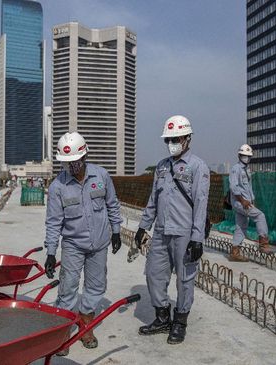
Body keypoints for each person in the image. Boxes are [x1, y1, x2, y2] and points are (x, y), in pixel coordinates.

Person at [43, 132, 122, 355]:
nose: (72, 166)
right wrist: (51, 252)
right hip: (73, 245)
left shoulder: (101, 176)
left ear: (85, 156)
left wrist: (116, 231)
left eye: (75, 162)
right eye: (67, 163)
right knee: (67, 288)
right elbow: (53, 221)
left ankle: (86, 324)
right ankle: (63, 332)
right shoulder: (58, 186)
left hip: (99, 244)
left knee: (96, 286)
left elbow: (113, 205)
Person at [135, 115, 210, 344]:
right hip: (161, 231)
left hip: (184, 233)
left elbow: (200, 205)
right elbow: (153, 200)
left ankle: (180, 321)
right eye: (168, 139)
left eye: (175, 138)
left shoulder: (198, 167)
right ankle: (162, 316)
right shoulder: (162, 166)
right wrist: (143, 226)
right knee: (153, 274)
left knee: (184, 279)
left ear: (187, 138)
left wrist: (197, 238)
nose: (171, 143)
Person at [228, 144, 271, 261]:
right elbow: (233, 187)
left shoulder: (247, 169)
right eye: (243, 155)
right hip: (240, 202)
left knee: (241, 226)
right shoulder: (235, 169)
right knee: (260, 215)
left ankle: (235, 252)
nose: (246, 158)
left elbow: (249, 188)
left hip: (246, 202)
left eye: (248, 156)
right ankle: (263, 243)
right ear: (239, 155)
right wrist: (243, 201)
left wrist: (252, 201)